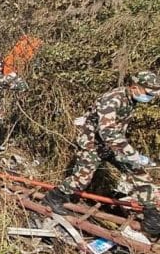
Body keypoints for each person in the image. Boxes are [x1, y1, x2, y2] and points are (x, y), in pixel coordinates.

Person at [43, 71, 160, 235]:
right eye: (148, 94)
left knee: (137, 172)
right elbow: (108, 132)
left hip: (113, 146)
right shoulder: (113, 99)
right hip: (93, 144)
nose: (149, 98)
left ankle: (151, 214)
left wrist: (131, 157)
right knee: (82, 178)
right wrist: (132, 153)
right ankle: (55, 196)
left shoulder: (130, 99)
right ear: (135, 87)